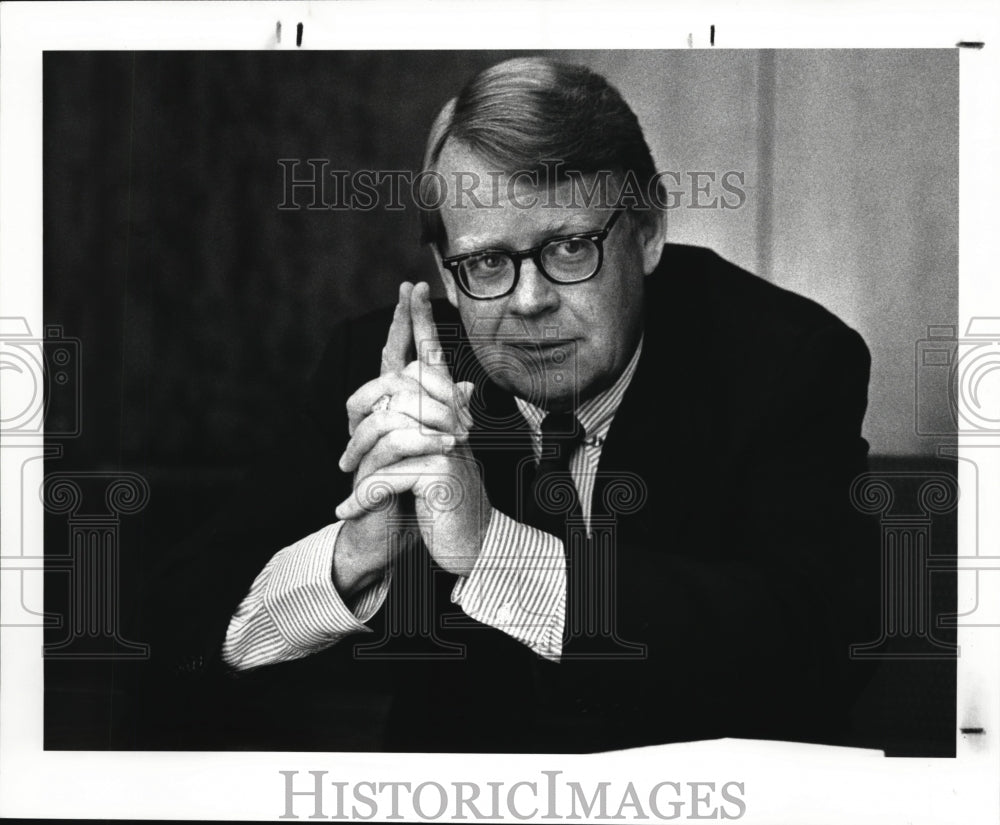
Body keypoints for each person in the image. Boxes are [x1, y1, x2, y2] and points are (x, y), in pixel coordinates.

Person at [145, 57, 877, 753]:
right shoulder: (385, 370)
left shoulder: (789, 362)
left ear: (648, 232)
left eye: (568, 248)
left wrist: (492, 549)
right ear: (445, 269)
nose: (529, 302)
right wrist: (355, 553)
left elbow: (817, 653)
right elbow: (177, 637)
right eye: (488, 262)